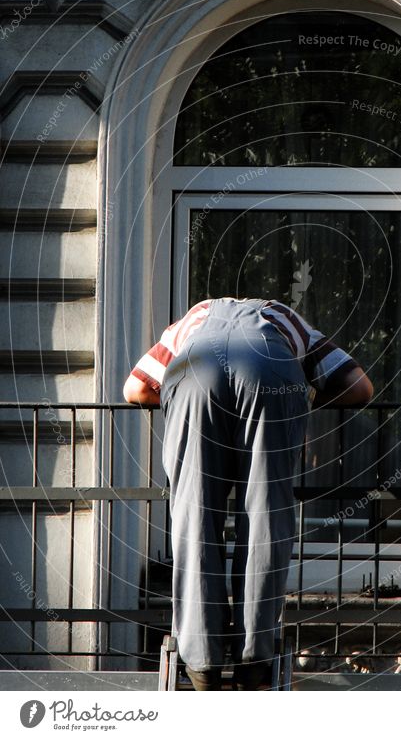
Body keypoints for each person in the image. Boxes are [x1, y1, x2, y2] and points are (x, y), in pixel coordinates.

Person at [124, 296, 373, 691]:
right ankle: (255, 658)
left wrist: (182, 403)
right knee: (264, 516)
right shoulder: (286, 319)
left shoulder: (192, 320)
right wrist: (302, 401)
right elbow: (360, 387)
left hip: (194, 371)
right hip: (269, 372)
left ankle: (201, 664)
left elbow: (134, 389)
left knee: (194, 516)